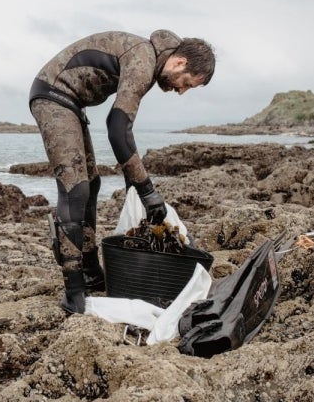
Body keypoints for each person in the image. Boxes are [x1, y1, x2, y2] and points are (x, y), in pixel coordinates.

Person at [29, 30, 216, 314]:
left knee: (91, 184)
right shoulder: (142, 59)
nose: (181, 91)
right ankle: (74, 291)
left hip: (71, 102)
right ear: (179, 62)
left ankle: (91, 272)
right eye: (186, 83)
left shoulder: (149, 62)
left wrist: (135, 185)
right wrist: (147, 191)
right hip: (53, 95)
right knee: (74, 190)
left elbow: (120, 132)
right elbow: (118, 128)